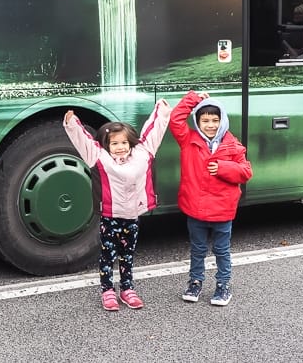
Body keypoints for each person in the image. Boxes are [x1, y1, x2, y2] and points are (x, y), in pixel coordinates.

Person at [63, 99, 171, 311]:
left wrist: (162, 111)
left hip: (132, 218)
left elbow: (154, 132)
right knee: (107, 255)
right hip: (110, 218)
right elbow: (83, 140)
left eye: (124, 143)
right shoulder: (100, 158)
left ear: (131, 143)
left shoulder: (142, 154)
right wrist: (72, 123)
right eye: (114, 143)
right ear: (106, 145)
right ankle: (107, 291)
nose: (120, 147)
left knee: (127, 255)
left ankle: (127, 289)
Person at [169, 91, 253, 306]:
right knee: (197, 250)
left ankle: (223, 285)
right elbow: (176, 118)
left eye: (215, 120)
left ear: (222, 120)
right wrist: (194, 99)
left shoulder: (233, 145)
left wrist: (224, 167)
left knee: (221, 251)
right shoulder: (189, 140)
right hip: (195, 209)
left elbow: (246, 172)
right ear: (197, 121)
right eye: (205, 120)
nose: (210, 125)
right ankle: (195, 282)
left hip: (222, 211)